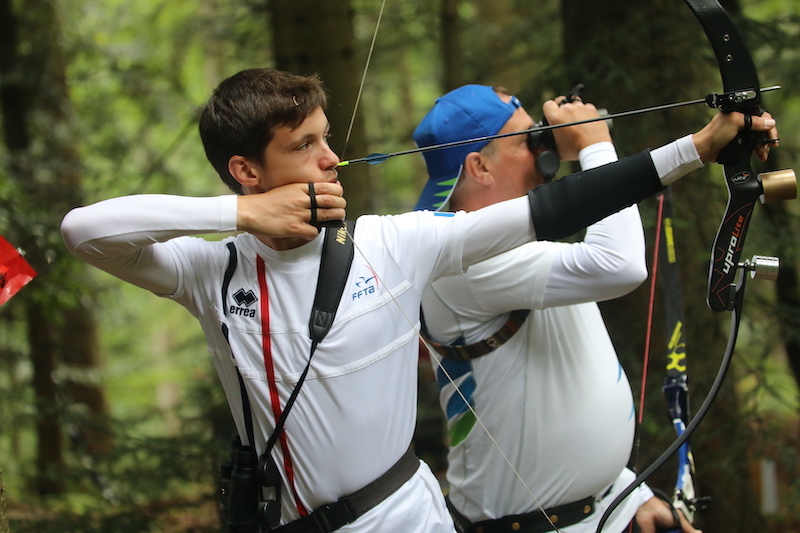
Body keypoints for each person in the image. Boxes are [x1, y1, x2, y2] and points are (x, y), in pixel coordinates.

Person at [60, 68, 776, 533]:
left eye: (327, 140)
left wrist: (702, 146)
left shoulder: (395, 242)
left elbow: (556, 211)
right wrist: (241, 217)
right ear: (247, 170)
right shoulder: (207, 267)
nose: (330, 159)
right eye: (305, 146)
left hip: (411, 514)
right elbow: (84, 230)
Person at [413, 84, 774, 533]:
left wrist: (628, 491)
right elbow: (620, 265)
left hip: (603, 508)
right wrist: (594, 146)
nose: (543, 145)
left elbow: (571, 387)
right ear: (479, 166)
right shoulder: (460, 262)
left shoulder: (521, 239)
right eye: (528, 140)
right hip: (532, 525)